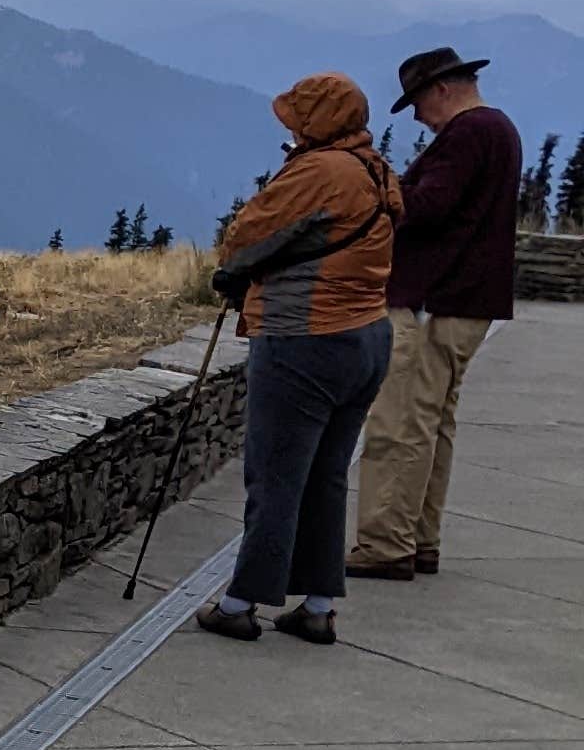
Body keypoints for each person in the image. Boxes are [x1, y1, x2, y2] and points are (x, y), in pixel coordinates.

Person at [197, 73, 401, 646]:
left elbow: (248, 236)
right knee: (326, 475)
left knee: (276, 476)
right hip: (367, 337)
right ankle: (316, 606)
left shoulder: (319, 171)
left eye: (297, 116)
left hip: (304, 339)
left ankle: (240, 603)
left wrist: (234, 274)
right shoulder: (375, 169)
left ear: (319, 120)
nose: (288, 125)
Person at [348, 46, 522, 580]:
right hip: (466, 302)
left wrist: (375, 184)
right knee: (432, 423)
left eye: (418, 103)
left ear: (442, 89)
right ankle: (420, 537)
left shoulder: (467, 135)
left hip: (434, 299)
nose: (418, 117)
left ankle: (385, 544)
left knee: (400, 422)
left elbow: (426, 208)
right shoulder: (499, 131)